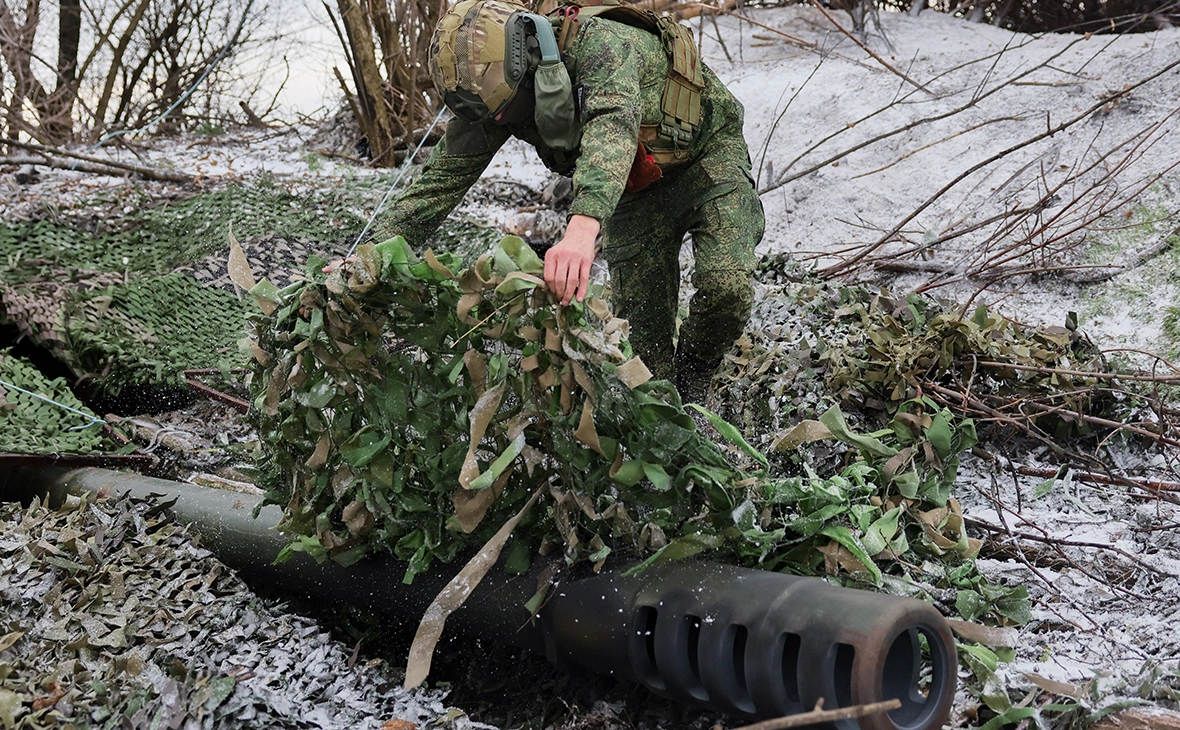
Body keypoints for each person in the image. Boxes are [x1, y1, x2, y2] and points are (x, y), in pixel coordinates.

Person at [373, 0, 764, 402]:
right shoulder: (491, 100)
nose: (502, 123)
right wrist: (371, 255)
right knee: (646, 366)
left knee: (726, 285)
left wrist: (581, 228)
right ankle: (679, 412)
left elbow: (612, 126)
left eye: (508, 111)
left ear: (526, 62)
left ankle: (697, 374)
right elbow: (441, 180)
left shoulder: (601, 45)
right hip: (632, 188)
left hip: (705, 156)